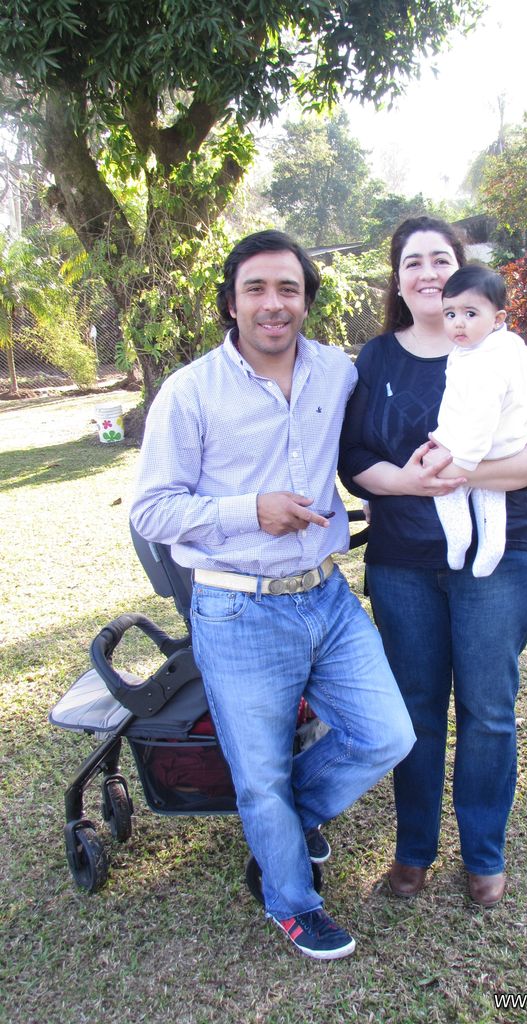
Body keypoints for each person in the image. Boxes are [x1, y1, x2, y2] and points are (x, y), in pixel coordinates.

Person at [130, 230, 415, 961]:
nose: (273, 303)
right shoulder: (190, 391)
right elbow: (151, 511)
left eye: (288, 288)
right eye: (254, 288)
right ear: (231, 303)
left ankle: (285, 823)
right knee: (258, 777)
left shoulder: (337, 371)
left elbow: (385, 421)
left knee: (387, 734)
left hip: (327, 598)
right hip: (237, 608)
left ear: (307, 300)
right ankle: (291, 900)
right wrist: (248, 510)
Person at [338, 216, 527, 908]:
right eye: (413, 262)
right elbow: (353, 458)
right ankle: (414, 850)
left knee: (489, 710)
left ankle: (484, 854)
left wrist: (463, 474)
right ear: (398, 280)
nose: (428, 273)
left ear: (463, 272)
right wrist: (411, 483)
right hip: (403, 563)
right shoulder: (375, 360)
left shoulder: (501, 349)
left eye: (441, 259)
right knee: (417, 708)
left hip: (498, 558)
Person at [431, 264, 527, 578]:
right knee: (491, 497)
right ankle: (490, 549)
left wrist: (464, 464)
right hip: (507, 444)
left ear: (498, 318)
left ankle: (458, 542)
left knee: (449, 491)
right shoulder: (508, 344)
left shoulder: (483, 365)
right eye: (450, 314)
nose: (458, 323)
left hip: (480, 446)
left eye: (470, 313)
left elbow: (482, 418)